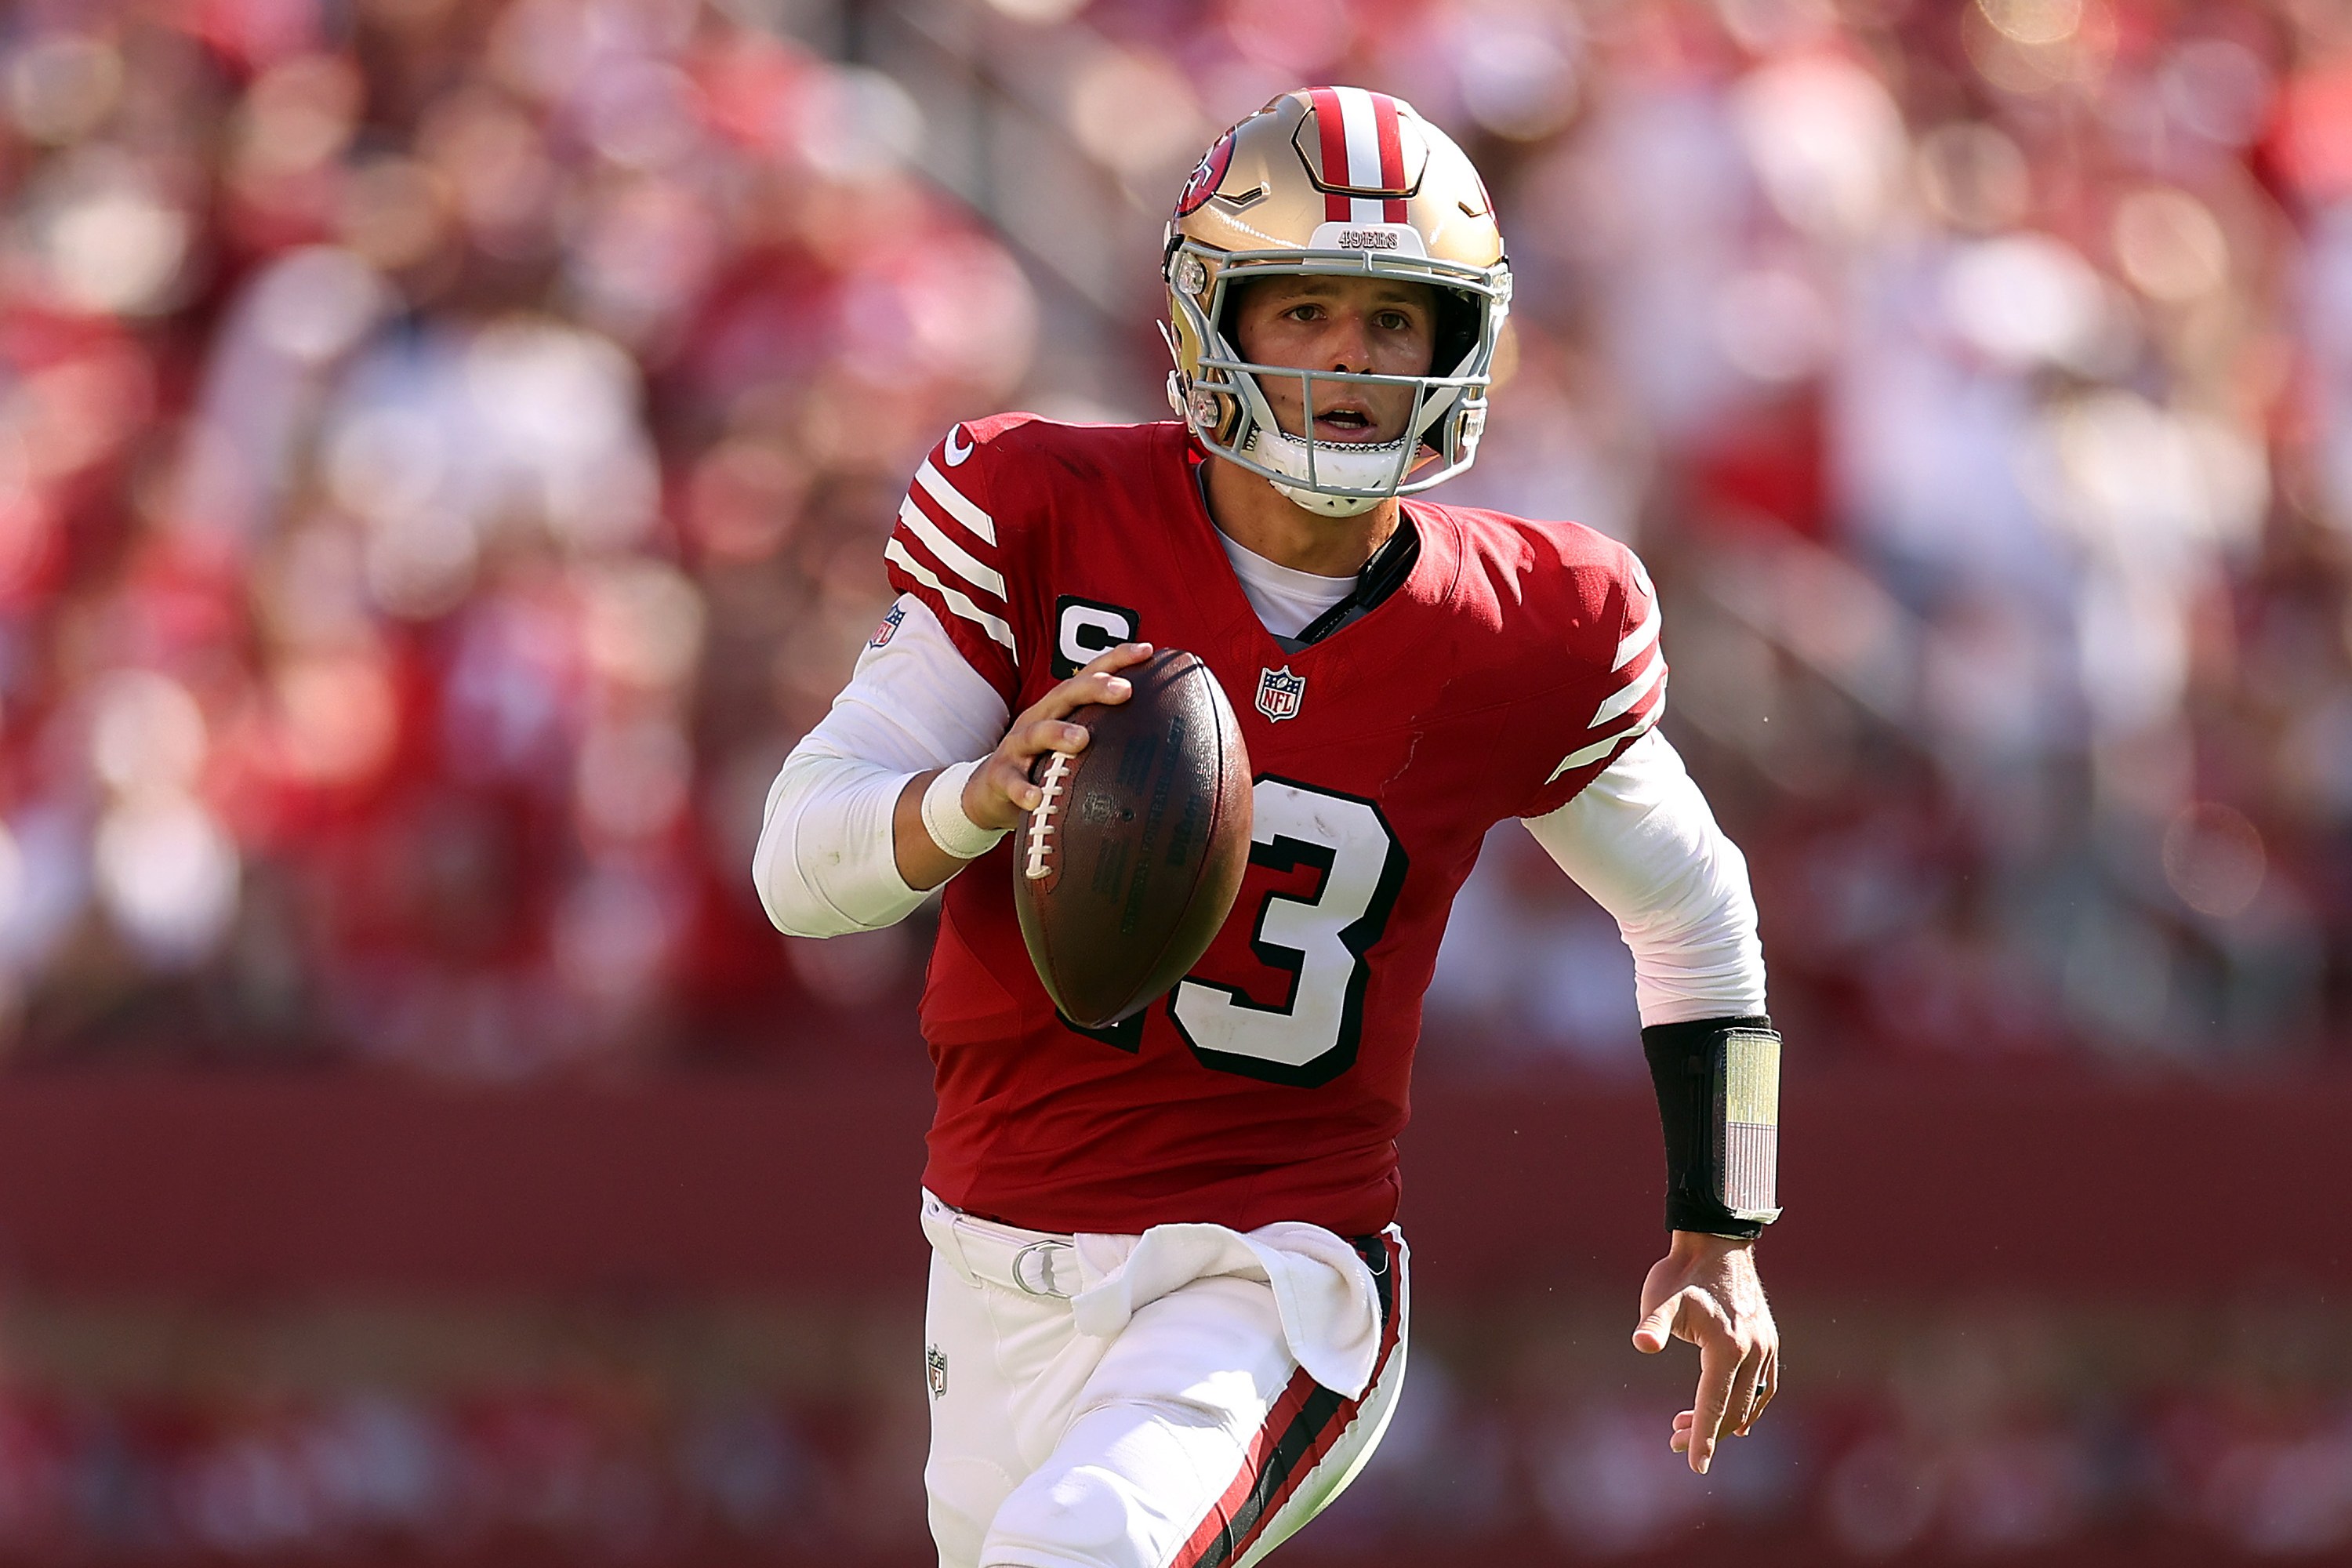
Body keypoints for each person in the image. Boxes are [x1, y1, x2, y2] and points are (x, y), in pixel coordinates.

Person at [755, 86, 1779, 1568]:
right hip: (990, 1257)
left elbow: (1695, 907)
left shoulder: (1517, 624)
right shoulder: (1042, 512)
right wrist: (974, 799)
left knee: (1081, 1552)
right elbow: (798, 867)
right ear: (1207, 314)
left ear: (1460, 343)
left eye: (1392, 320)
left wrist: (1721, 1225)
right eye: (1303, 311)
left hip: (1276, 1273)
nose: (1350, 364)